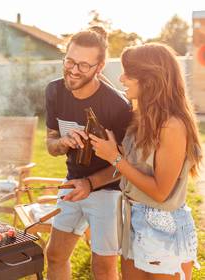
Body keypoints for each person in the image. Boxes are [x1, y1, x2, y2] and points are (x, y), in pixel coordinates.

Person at [89, 43, 201, 279]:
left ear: (150, 78)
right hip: (134, 219)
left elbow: (160, 192)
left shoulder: (172, 126)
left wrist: (116, 157)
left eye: (128, 74)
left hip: (164, 228)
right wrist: (92, 178)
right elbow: (131, 170)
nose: (121, 78)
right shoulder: (140, 118)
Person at [44, 26, 132, 280]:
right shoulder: (54, 91)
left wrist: (90, 182)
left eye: (83, 65)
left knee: (103, 269)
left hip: (108, 192)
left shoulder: (118, 106)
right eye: (70, 61)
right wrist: (63, 142)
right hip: (72, 184)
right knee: (55, 256)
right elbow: (50, 144)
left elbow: (126, 164)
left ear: (99, 67)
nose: (73, 70)